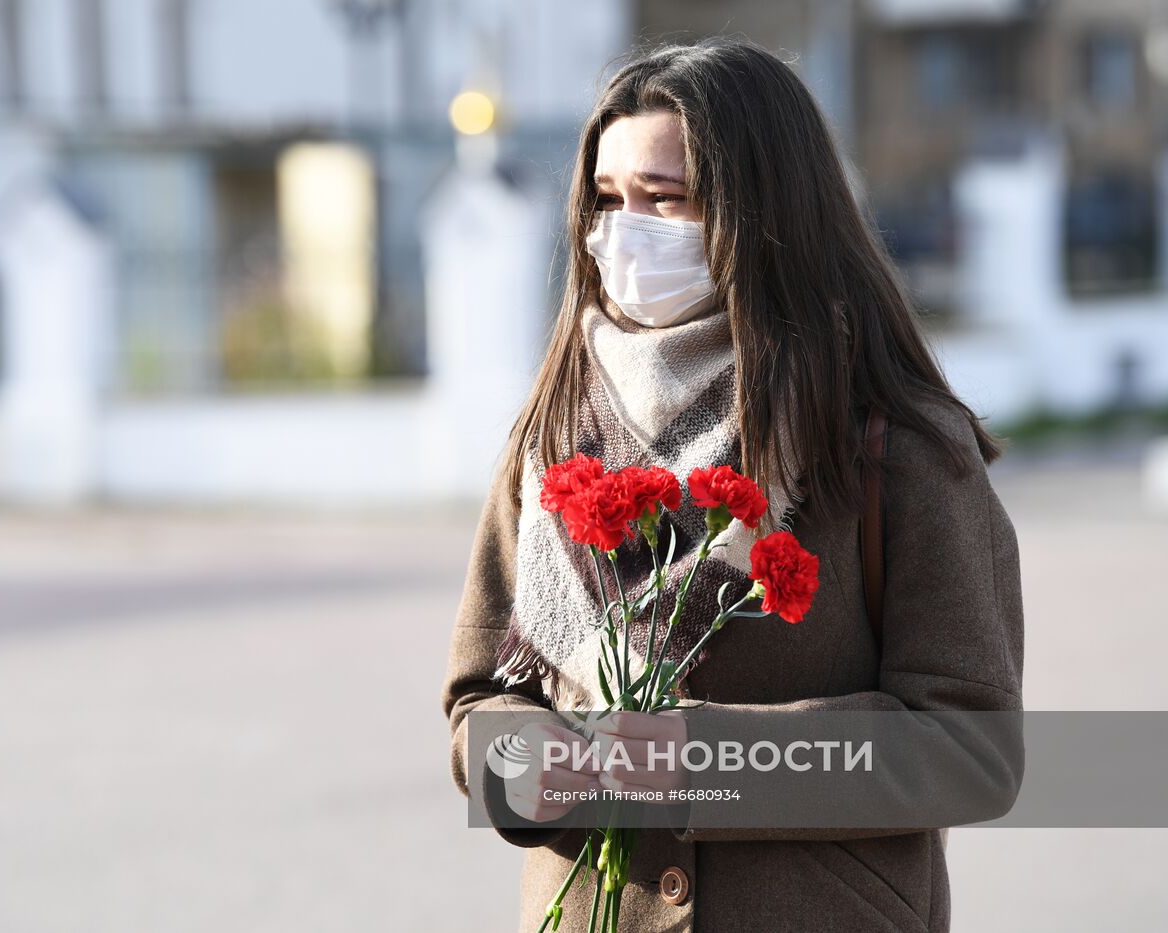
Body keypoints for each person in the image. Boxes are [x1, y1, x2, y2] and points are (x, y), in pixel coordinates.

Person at [439, 37, 1024, 933]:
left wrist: (689, 760)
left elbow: (973, 748)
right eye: (606, 200)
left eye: (664, 200)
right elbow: (481, 701)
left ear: (762, 210)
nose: (621, 232)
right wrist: (538, 770)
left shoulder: (894, 445)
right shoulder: (554, 435)